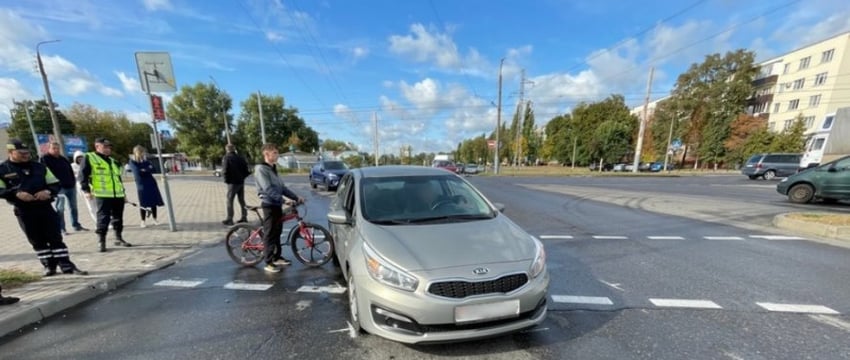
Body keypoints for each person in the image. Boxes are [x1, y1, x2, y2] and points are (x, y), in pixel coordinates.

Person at [0, 139, 87, 276]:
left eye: (27, 152)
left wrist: (48, 191)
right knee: (36, 239)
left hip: (45, 207)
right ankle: (49, 266)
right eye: (21, 152)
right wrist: (16, 194)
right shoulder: (2, 169)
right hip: (24, 210)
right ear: (10, 152)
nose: (25, 155)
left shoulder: (39, 167)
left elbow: (55, 183)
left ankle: (66, 265)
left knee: (55, 237)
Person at [254, 143, 304, 273]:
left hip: (276, 205)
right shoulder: (261, 169)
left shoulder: (272, 168)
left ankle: (277, 257)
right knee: (270, 234)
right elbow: (268, 189)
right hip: (269, 205)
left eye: (277, 152)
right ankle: (268, 262)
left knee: (277, 232)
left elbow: (282, 188)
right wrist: (284, 200)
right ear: (266, 154)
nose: (277, 155)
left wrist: (295, 197)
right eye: (275, 153)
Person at [79, 137, 131, 252]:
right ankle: (101, 241)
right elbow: (82, 175)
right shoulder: (89, 157)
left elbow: (118, 179)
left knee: (118, 218)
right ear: (97, 146)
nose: (108, 149)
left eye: (109, 147)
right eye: (105, 147)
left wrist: (124, 193)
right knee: (103, 218)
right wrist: (86, 190)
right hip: (102, 195)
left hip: (117, 194)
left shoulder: (113, 161)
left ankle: (118, 238)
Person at [40, 142, 88, 235]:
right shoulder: (45, 159)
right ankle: (62, 229)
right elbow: (43, 173)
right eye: (54, 148)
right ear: (48, 149)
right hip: (58, 188)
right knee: (60, 208)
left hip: (70, 186)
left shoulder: (63, 159)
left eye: (58, 148)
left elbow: (69, 170)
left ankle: (76, 225)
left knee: (73, 207)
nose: (56, 150)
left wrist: (73, 182)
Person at [128, 145, 164, 228]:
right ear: (137, 152)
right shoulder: (132, 161)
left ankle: (155, 219)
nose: (143, 154)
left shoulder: (145, 161)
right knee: (143, 202)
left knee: (153, 202)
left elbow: (153, 169)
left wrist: (145, 169)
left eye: (143, 152)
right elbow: (137, 172)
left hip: (151, 183)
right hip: (142, 184)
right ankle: (143, 221)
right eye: (141, 152)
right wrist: (147, 169)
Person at [221, 143, 250, 225]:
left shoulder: (226, 158)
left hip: (232, 183)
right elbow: (247, 171)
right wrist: (242, 177)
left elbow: (225, 170)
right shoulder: (241, 158)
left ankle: (230, 219)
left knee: (230, 200)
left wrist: (226, 180)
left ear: (227, 149)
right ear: (234, 149)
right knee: (242, 200)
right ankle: (244, 217)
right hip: (241, 182)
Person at [71, 150, 97, 223]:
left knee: (99, 205)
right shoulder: (73, 166)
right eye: (78, 158)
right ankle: (97, 222)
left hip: (93, 186)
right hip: (83, 188)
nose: (80, 159)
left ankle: (105, 221)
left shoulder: (90, 164)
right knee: (91, 206)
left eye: (81, 157)